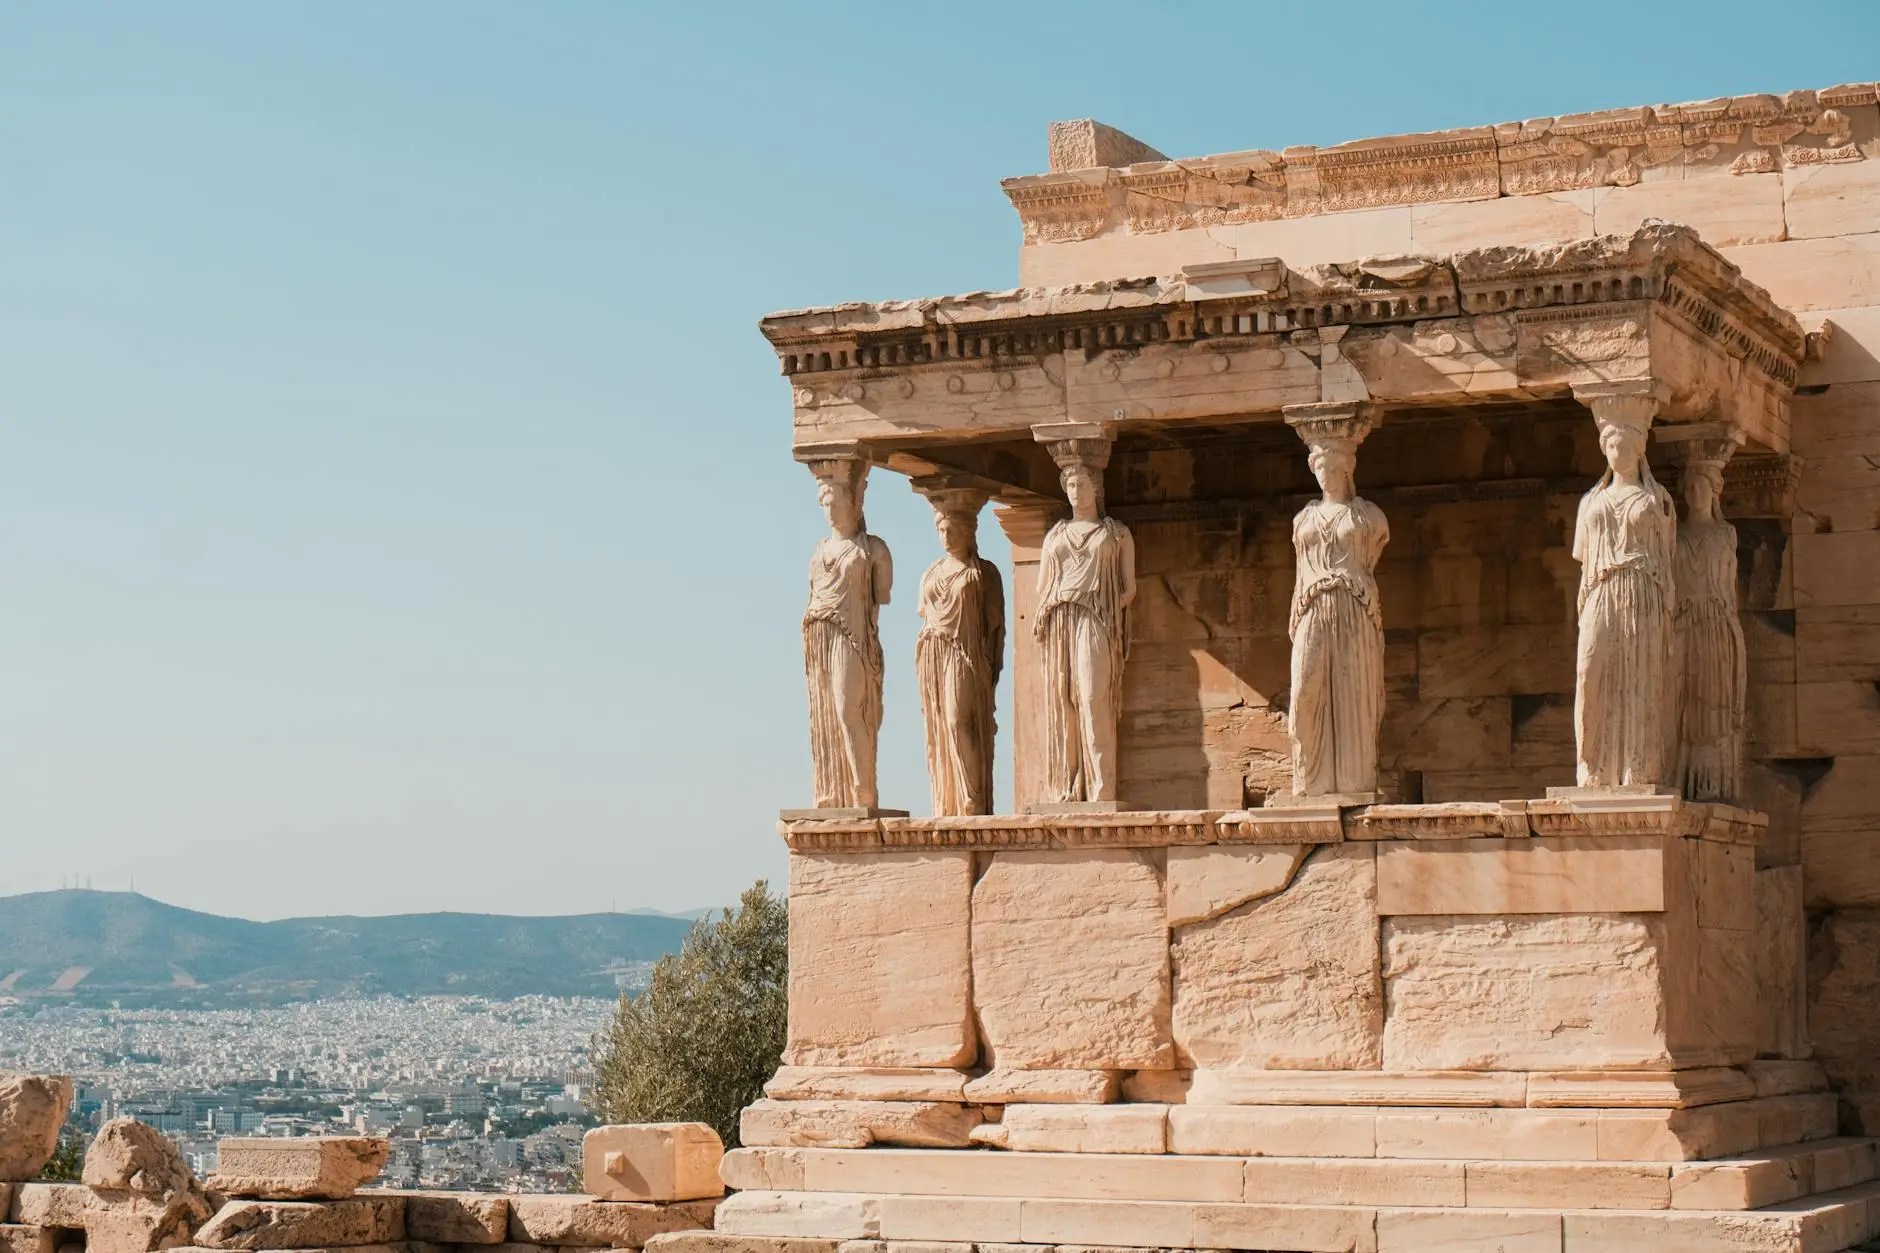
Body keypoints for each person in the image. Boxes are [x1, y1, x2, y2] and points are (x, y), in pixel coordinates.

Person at [802, 462, 892, 809]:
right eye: (825, 505)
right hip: (818, 633)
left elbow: (881, 595)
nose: (830, 511)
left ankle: (863, 789)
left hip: (852, 636)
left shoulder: (873, 550)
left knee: (847, 708)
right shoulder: (818, 552)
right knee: (824, 711)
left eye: (836, 503)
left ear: (854, 504)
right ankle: (833, 792)